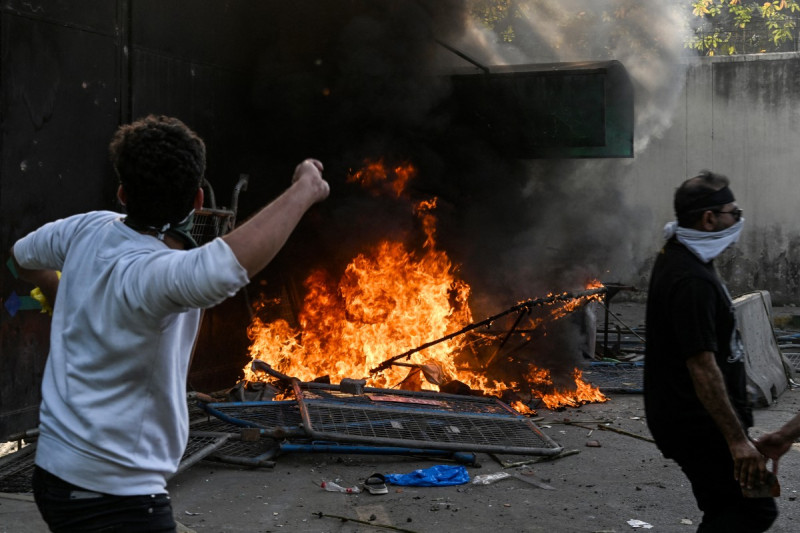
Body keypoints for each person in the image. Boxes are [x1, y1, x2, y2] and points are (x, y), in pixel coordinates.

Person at [11, 115, 329, 532]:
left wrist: (59, 297)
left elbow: (20, 258)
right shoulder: (155, 275)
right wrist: (305, 188)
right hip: (115, 500)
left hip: (53, 476)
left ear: (123, 192)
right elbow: (228, 264)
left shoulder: (85, 229)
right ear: (198, 201)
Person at [644, 170, 777, 532]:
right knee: (752, 511)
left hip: (691, 419)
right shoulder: (690, 280)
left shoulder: (681, 255)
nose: (738, 220)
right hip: (698, 424)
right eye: (733, 213)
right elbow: (702, 367)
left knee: (725, 509)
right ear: (709, 219)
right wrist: (736, 440)